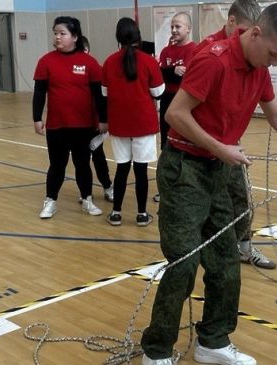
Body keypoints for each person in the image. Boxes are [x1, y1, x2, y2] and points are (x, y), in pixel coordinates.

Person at [140, 4, 277, 365]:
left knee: (226, 262)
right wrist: (220, 148)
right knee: (184, 263)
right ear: (255, 32)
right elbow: (175, 114)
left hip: (217, 170)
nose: (273, 63)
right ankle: (157, 351)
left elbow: (273, 112)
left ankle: (212, 342)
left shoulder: (258, 67)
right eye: (273, 54)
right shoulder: (214, 59)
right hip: (185, 170)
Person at [193, 0, 277, 270]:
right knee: (205, 210)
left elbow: (272, 110)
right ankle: (210, 252)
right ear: (231, 22)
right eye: (241, 29)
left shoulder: (254, 59)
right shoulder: (209, 52)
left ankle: (244, 247)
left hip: (229, 146)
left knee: (240, 197)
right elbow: (182, 111)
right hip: (200, 151)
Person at [33, 16, 106, 219]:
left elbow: (99, 95)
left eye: (62, 33)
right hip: (57, 126)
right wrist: (37, 118)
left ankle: (87, 199)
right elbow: (39, 92)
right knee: (57, 165)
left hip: (83, 126)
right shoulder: (46, 61)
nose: (57, 37)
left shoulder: (89, 63)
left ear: (75, 36)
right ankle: (50, 201)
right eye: (55, 33)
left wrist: (103, 120)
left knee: (83, 164)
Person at [102, 18, 164, 227]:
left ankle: (116, 213)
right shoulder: (149, 61)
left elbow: (105, 92)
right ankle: (141, 214)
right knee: (140, 171)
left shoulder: (109, 62)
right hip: (143, 125)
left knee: (121, 169)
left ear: (118, 37)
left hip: (119, 124)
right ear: (138, 36)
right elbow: (159, 92)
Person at [152, 12, 196, 203]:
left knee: (186, 145)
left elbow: (191, 77)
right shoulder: (165, 52)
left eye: (178, 26)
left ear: (188, 29)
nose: (174, 30)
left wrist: (176, 74)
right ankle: (165, 188)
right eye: (172, 26)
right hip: (168, 100)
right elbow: (159, 75)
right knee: (166, 144)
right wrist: (172, 71)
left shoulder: (195, 50)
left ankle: (186, 188)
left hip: (185, 102)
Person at [80, 35, 114, 204]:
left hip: (95, 124)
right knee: (82, 159)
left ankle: (108, 187)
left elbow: (105, 99)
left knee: (98, 156)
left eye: (84, 51)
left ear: (88, 50)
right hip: (78, 123)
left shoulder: (98, 70)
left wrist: (104, 120)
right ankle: (85, 192)